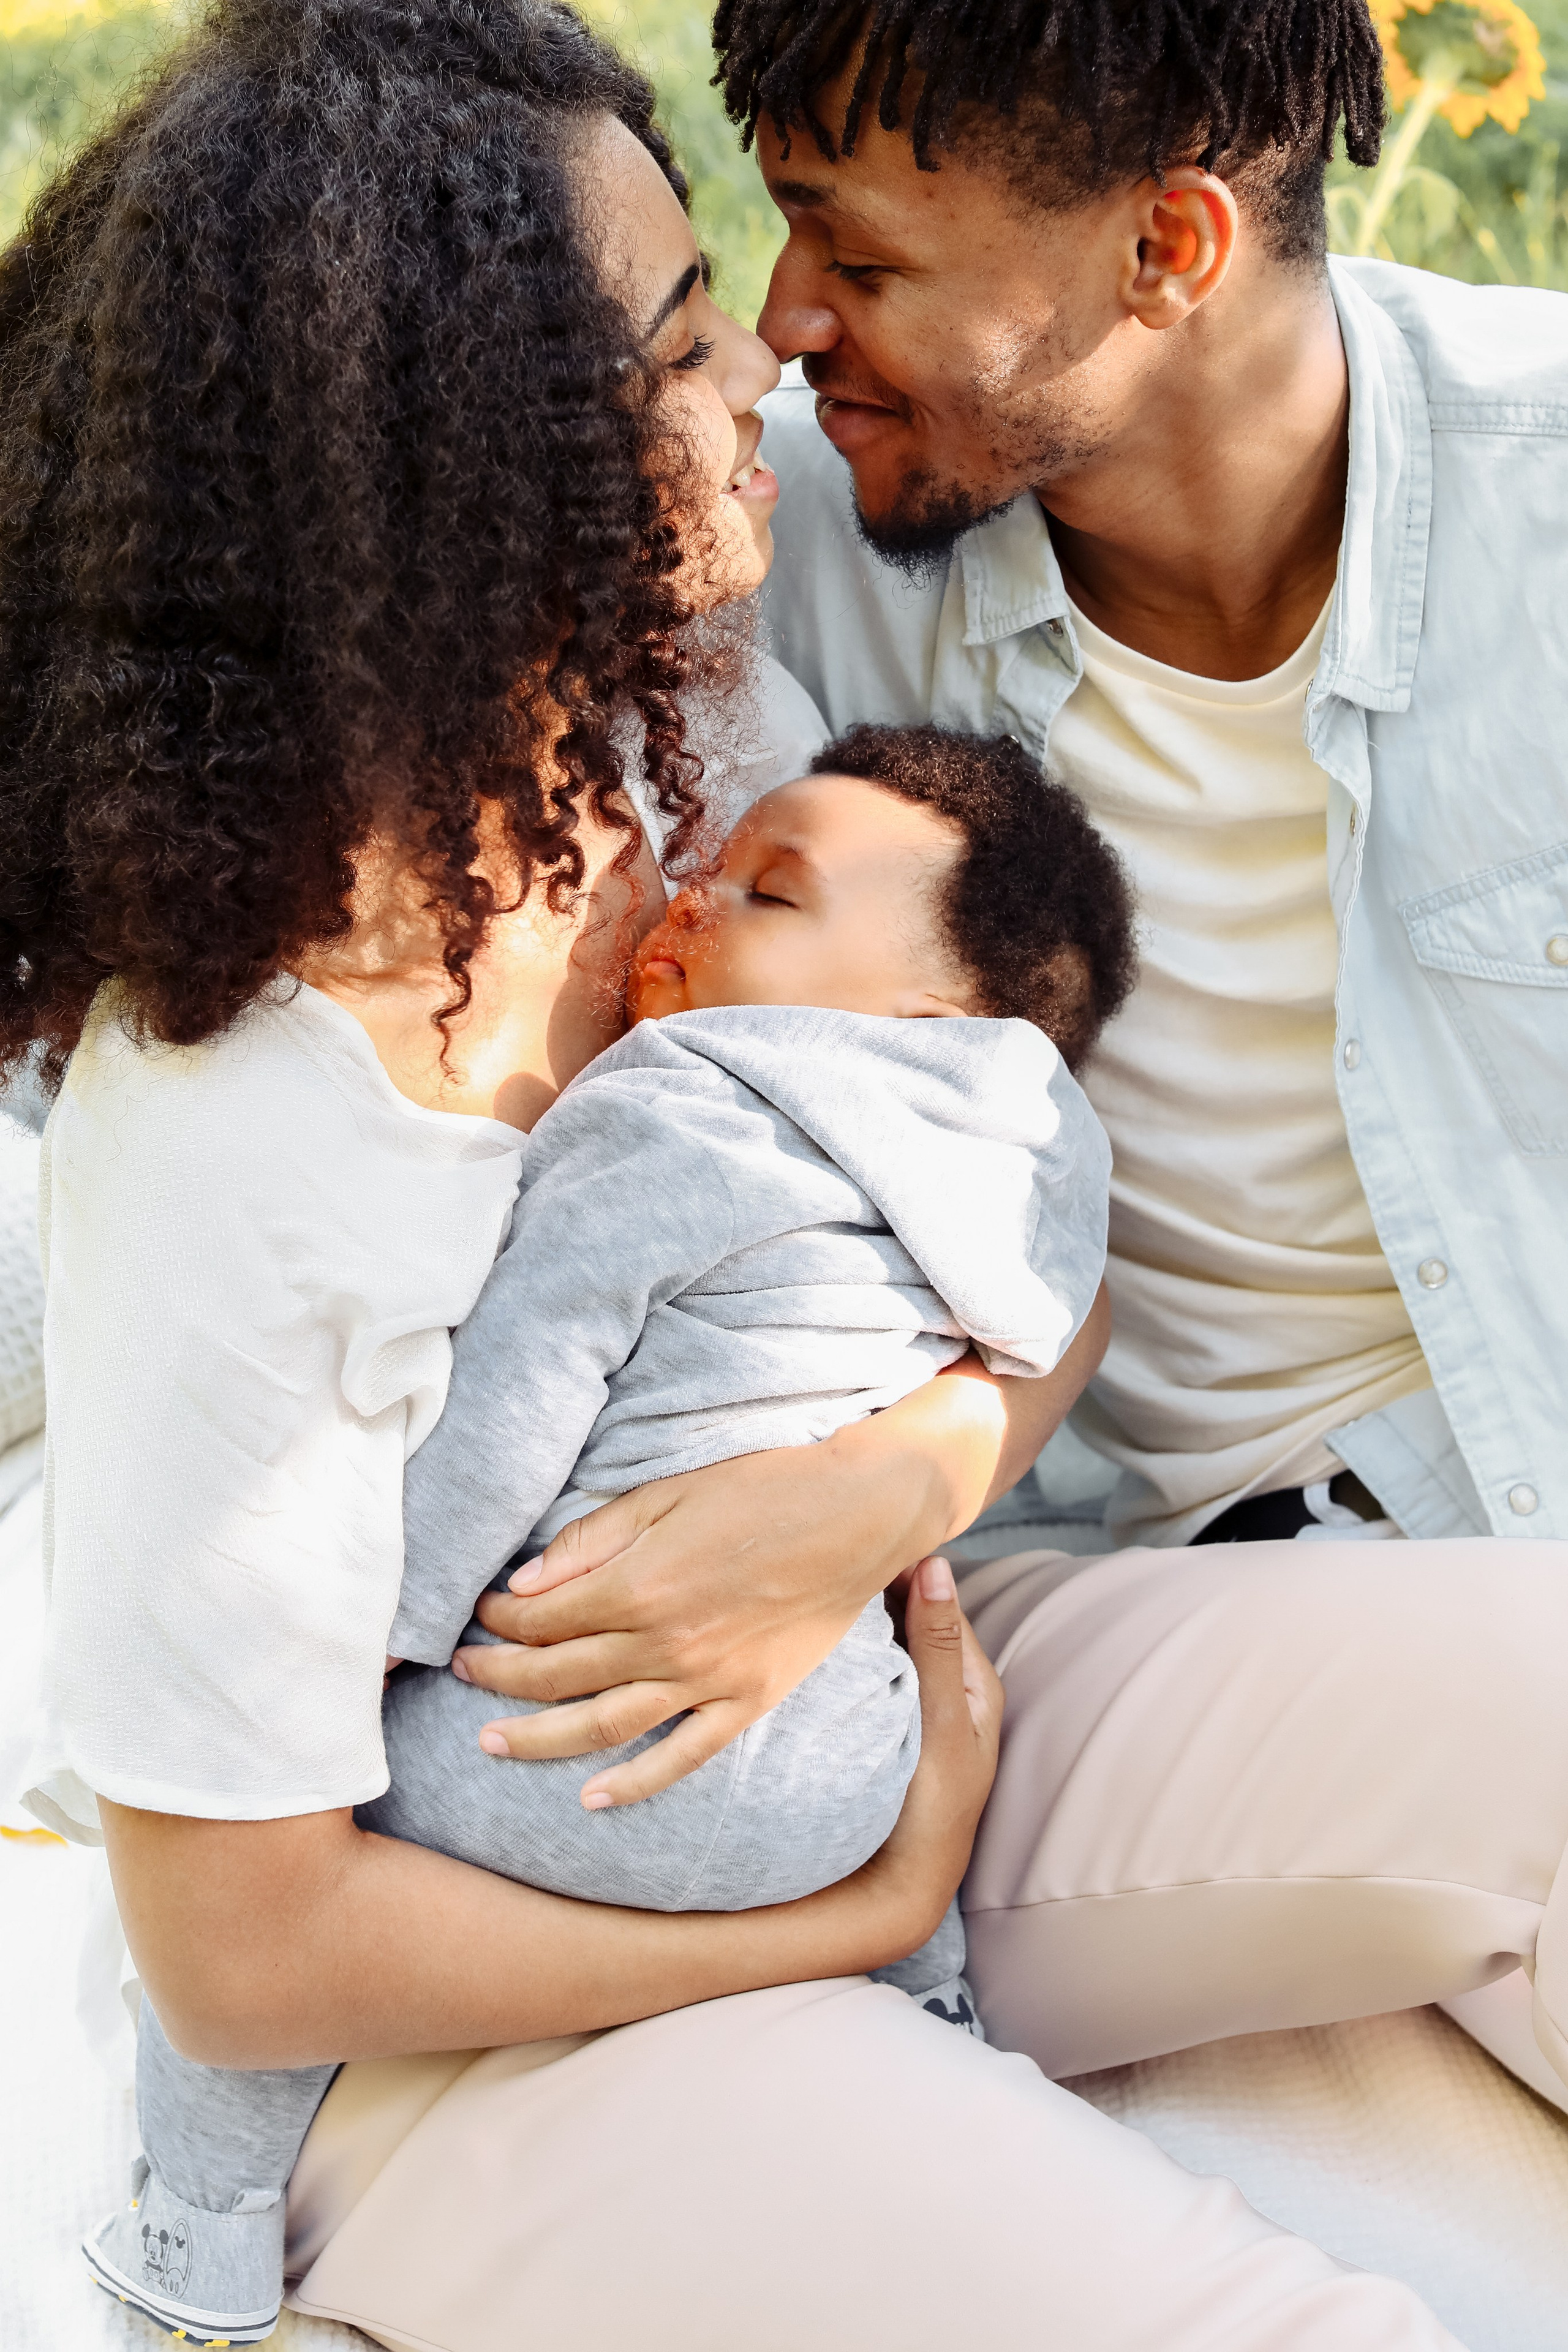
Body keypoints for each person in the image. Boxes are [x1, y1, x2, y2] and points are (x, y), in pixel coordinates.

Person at [6, 2, 1565, 2346]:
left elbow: (1019, 1222)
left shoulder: (703, 754)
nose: (761, 361)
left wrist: (891, 1484)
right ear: (471, 455)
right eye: (682, 324)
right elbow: (237, 1957)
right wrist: (843, 1924)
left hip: (893, 1666)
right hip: (466, 1997)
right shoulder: (244, 1121)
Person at [102, 726, 1133, 2340]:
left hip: (577, 1739)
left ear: (925, 1019)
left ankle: (196, 2236)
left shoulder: (678, 1104)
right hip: (858, 1767)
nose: (696, 895)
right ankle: (926, 1993)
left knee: (227, 1879)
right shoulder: (1038, 1156)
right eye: (715, 863)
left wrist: (390, 1637)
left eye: (767, 897)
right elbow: (1065, 1324)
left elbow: (524, 1385)